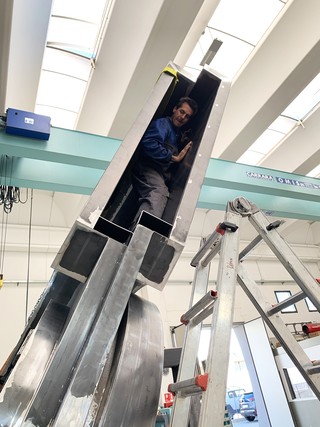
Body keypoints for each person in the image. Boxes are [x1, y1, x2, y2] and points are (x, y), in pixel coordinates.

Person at [131, 97, 198, 226]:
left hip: (160, 174)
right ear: (175, 109)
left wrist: (182, 141)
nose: (183, 117)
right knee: (158, 192)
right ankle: (139, 234)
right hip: (148, 168)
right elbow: (149, 144)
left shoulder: (176, 134)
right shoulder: (163, 124)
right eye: (181, 112)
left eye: (187, 116)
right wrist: (174, 157)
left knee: (160, 194)